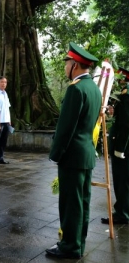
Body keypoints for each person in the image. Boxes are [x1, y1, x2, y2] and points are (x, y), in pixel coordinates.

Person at [46, 42, 101, 259]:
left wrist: (56, 154)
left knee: (70, 203)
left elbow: (65, 128)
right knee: (82, 203)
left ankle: (69, 246)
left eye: (67, 63)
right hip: (85, 154)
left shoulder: (76, 89)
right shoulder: (94, 88)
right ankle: (78, 243)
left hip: (72, 156)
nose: (65, 67)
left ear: (75, 66)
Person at [101, 67, 129, 225]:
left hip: (123, 148)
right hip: (124, 146)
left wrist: (120, 149)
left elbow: (125, 124)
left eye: (120, 79)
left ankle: (122, 213)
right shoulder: (123, 96)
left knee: (121, 181)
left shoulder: (126, 96)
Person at [0, 76, 11, 164]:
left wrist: (9, 120)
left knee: (3, 141)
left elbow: (7, 108)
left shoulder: (5, 93)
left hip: (6, 120)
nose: (3, 84)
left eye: (5, 82)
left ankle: (0, 157)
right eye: (2, 82)